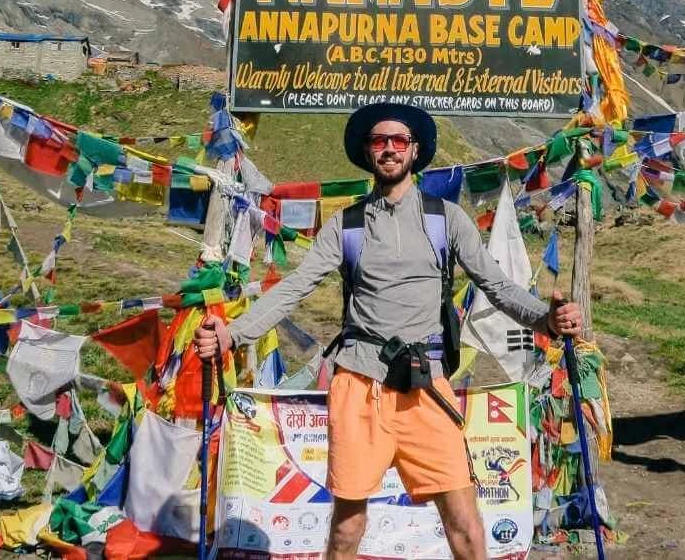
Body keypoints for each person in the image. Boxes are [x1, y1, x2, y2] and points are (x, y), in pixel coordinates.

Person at [196, 102, 582, 559]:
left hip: (428, 387)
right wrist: (232, 334)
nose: (390, 149)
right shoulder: (346, 225)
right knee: (347, 524)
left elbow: (496, 285)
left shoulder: (447, 219)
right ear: (367, 152)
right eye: (379, 141)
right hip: (359, 386)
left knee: (464, 521)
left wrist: (547, 319)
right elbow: (295, 288)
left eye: (400, 141)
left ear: (415, 151)